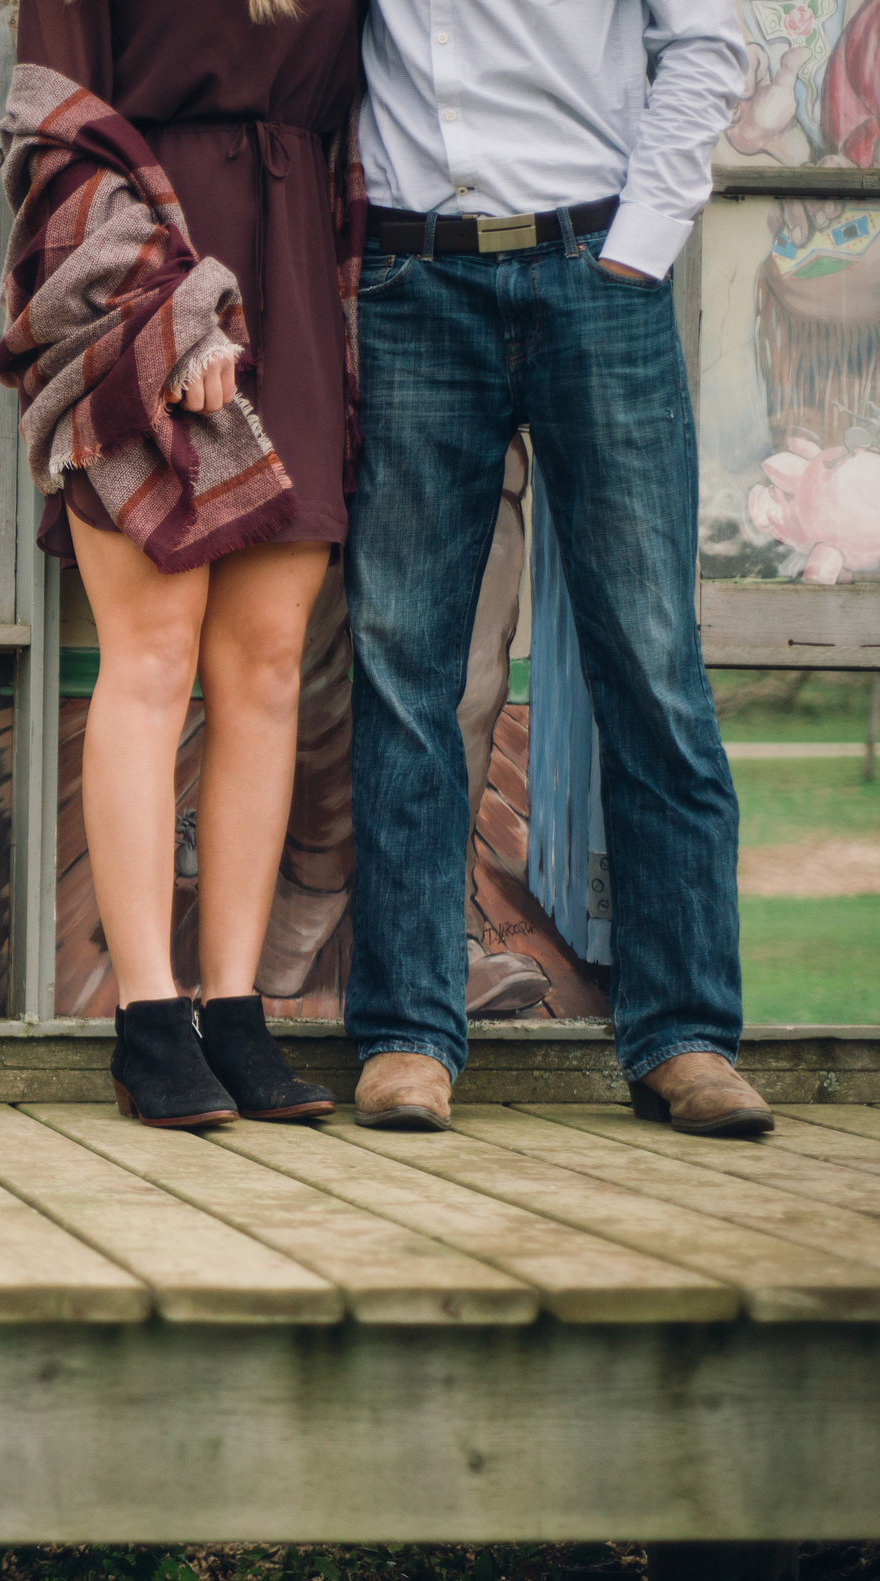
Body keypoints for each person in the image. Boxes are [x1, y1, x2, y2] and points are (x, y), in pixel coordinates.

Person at [341, 3, 771, 1137]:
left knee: (649, 660)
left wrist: (641, 241)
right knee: (402, 665)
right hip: (408, 277)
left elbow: (704, 43)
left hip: (597, 269)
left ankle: (685, 1034)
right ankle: (406, 1033)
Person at [0, 0, 364, 1127]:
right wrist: (166, 309)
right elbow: (54, 133)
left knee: (265, 668)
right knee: (151, 658)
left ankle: (235, 1011)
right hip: (144, 291)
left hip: (292, 281)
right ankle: (150, 1019)